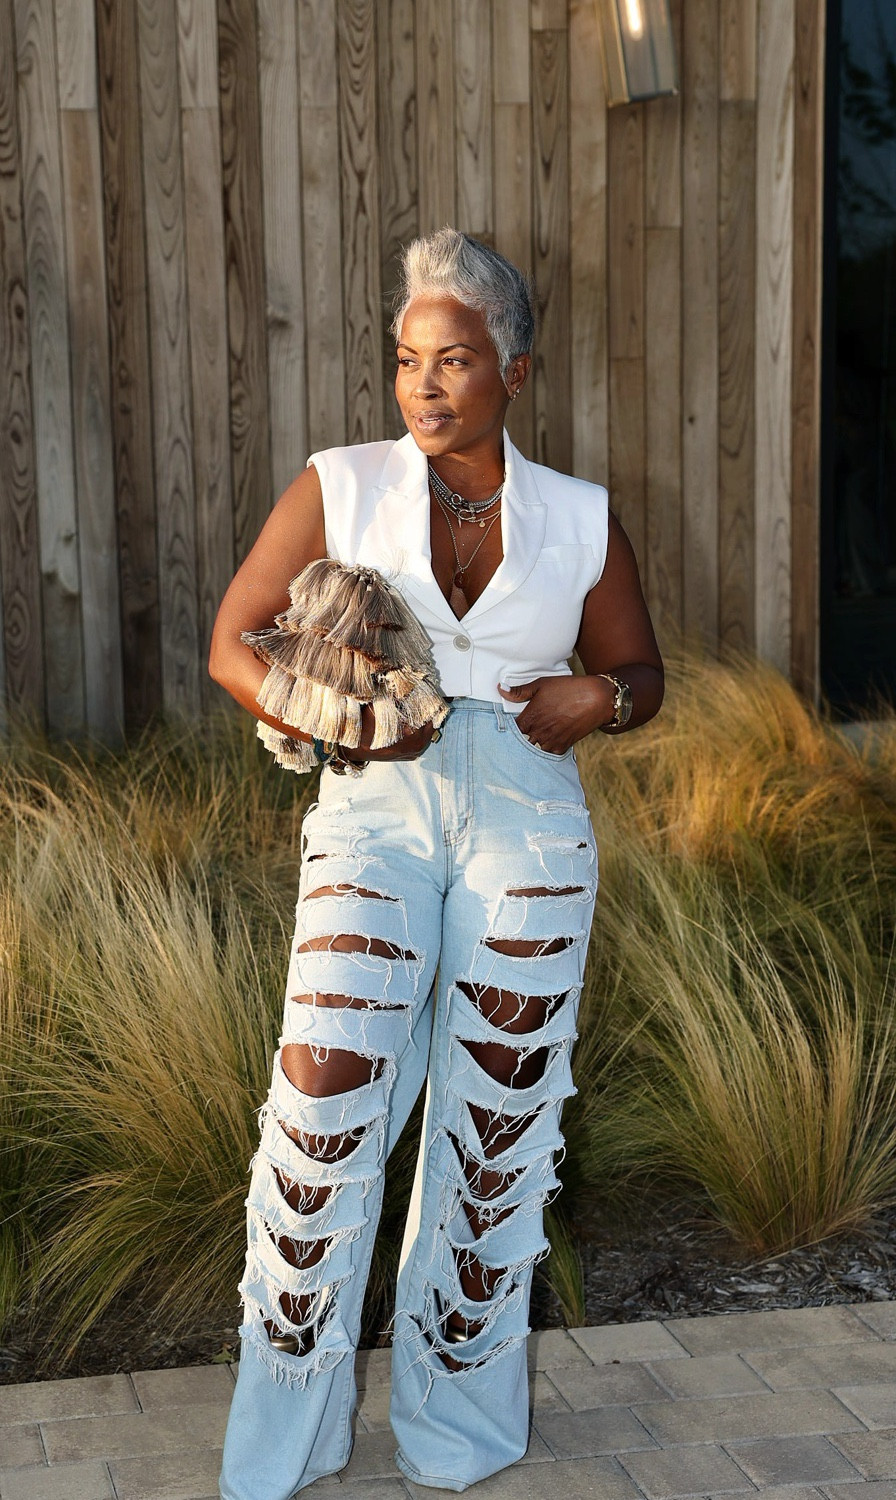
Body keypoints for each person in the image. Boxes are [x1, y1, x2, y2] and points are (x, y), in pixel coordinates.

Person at [208, 227, 664, 1498]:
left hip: (529, 816)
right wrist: (336, 717)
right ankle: (286, 1438)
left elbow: (642, 674)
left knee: (498, 1127)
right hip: (374, 809)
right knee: (322, 1100)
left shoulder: (580, 518)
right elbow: (232, 643)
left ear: (515, 369)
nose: (423, 384)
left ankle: (455, 1431)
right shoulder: (340, 482)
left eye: (453, 359)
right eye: (408, 358)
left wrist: (596, 704)